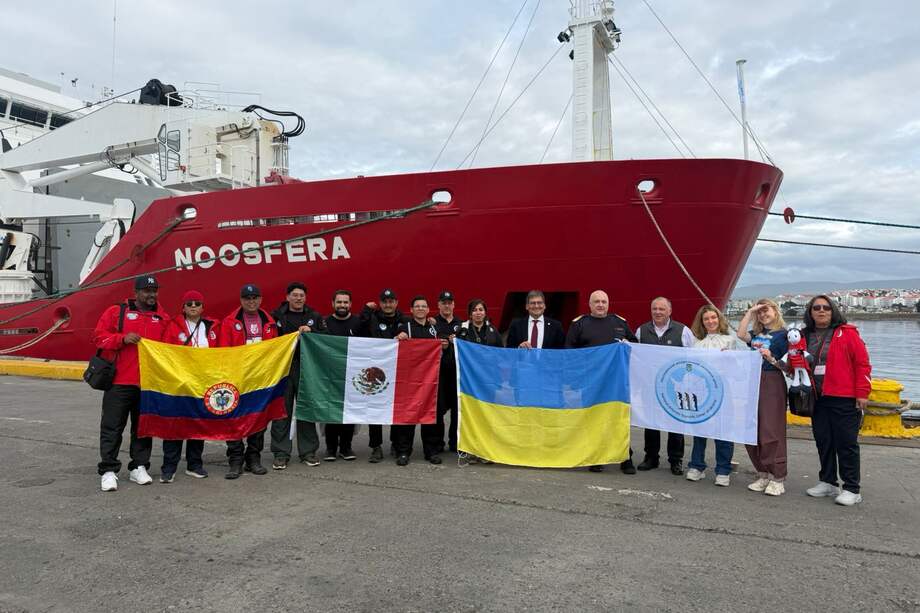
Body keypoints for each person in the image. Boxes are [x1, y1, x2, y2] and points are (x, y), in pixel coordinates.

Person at [92, 275, 171, 492]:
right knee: (112, 427)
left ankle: (139, 466)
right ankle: (109, 470)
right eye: (147, 291)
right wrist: (122, 338)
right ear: (136, 293)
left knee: (143, 428)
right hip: (119, 381)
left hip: (147, 383)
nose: (151, 294)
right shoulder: (116, 312)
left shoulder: (163, 318)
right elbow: (98, 338)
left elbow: (170, 349)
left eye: (154, 290)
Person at [795, 296, 871, 506]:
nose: (821, 311)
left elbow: (862, 364)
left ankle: (852, 488)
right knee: (823, 441)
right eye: (816, 308)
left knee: (846, 443)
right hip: (816, 396)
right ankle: (828, 481)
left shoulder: (848, 333)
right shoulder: (803, 335)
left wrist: (862, 393)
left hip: (843, 396)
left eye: (826, 308)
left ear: (833, 311)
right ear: (810, 312)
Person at [565, 290, 637, 474]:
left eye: (604, 301)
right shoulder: (579, 324)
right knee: (592, 419)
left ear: (608, 304)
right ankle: (596, 457)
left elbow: (634, 346)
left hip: (615, 382)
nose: (600, 305)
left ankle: (625, 457)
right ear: (590, 305)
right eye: (596, 301)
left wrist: (627, 342)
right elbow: (570, 352)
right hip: (590, 382)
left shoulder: (619, 323)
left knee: (619, 419)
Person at [219, 283, 279, 479]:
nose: (251, 301)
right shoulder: (230, 322)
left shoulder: (269, 321)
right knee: (233, 418)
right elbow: (224, 350)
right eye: (247, 298)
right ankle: (235, 460)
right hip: (237, 377)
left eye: (254, 298)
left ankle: (254, 458)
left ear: (260, 299)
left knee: (258, 417)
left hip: (260, 377)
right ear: (241, 300)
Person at [160, 290, 220, 483]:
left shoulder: (211, 326)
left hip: (202, 383)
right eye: (189, 304)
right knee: (175, 425)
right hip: (179, 383)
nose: (193, 306)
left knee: (197, 423)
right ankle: (169, 467)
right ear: (183, 308)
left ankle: (194, 464)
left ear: (203, 307)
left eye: (197, 303)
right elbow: (165, 353)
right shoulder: (172, 327)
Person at [634, 297, 695, 475]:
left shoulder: (683, 331)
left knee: (675, 423)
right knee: (650, 422)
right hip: (649, 385)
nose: (658, 312)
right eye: (655, 309)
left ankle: (676, 460)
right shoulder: (641, 331)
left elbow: (693, 358)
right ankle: (651, 457)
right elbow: (635, 357)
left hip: (675, 386)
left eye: (662, 309)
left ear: (669, 311)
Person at [685, 305, 743, 486]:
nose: (710, 321)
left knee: (724, 430)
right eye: (706, 319)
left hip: (724, 390)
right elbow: (690, 367)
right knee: (699, 430)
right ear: (701, 322)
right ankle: (697, 466)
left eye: (713, 317)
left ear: (719, 319)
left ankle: (723, 469)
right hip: (701, 391)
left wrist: (731, 358)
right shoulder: (696, 343)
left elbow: (738, 370)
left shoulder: (730, 341)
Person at [270, 282, 325, 470]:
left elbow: (326, 338)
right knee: (282, 411)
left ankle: (308, 452)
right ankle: (281, 453)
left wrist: (313, 332)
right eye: (294, 295)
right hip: (283, 369)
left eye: (301, 295)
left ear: (305, 298)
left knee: (305, 410)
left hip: (306, 368)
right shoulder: (276, 316)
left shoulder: (314, 316)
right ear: (287, 297)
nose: (298, 298)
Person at [737, 299, 789, 496]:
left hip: (771, 379)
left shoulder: (784, 335)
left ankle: (778, 477)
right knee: (752, 428)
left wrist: (772, 358)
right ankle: (763, 472)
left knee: (771, 429)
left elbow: (789, 366)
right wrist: (750, 312)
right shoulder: (756, 334)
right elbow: (740, 334)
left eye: (766, 310)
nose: (763, 314)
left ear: (775, 311)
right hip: (752, 380)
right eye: (760, 312)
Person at [357, 288, 408, 462]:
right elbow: (357, 329)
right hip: (376, 370)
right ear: (380, 303)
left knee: (396, 408)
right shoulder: (372, 317)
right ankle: (376, 447)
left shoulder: (404, 320)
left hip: (398, 370)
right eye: (385, 302)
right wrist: (365, 310)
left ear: (396, 303)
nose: (388, 305)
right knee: (375, 409)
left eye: (391, 301)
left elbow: (417, 330)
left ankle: (395, 443)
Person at [392, 296, 442, 466]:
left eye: (423, 306)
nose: (420, 309)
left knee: (430, 417)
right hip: (410, 381)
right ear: (411, 310)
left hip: (430, 381)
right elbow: (394, 348)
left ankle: (431, 451)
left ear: (428, 310)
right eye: (417, 306)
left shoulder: (435, 328)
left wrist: (444, 345)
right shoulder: (404, 327)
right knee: (408, 416)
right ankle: (403, 452)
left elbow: (442, 349)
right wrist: (398, 338)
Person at [323, 290, 361, 460]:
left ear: (350, 304)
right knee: (331, 412)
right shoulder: (325, 322)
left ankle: (346, 447)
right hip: (330, 374)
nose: (342, 305)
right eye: (339, 302)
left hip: (352, 374)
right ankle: (330, 449)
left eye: (345, 302)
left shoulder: (358, 322)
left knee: (349, 411)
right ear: (333, 304)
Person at [433, 290, 463, 453]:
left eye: (449, 303)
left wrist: (456, 341)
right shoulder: (433, 323)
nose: (446, 306)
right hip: (439, 373)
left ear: (453, 305)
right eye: (443, 303)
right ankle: (438, 442)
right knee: (438, 410)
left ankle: (454, 442)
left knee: (457, 410)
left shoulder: (461, 324)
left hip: (457, 373)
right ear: (438, 305)